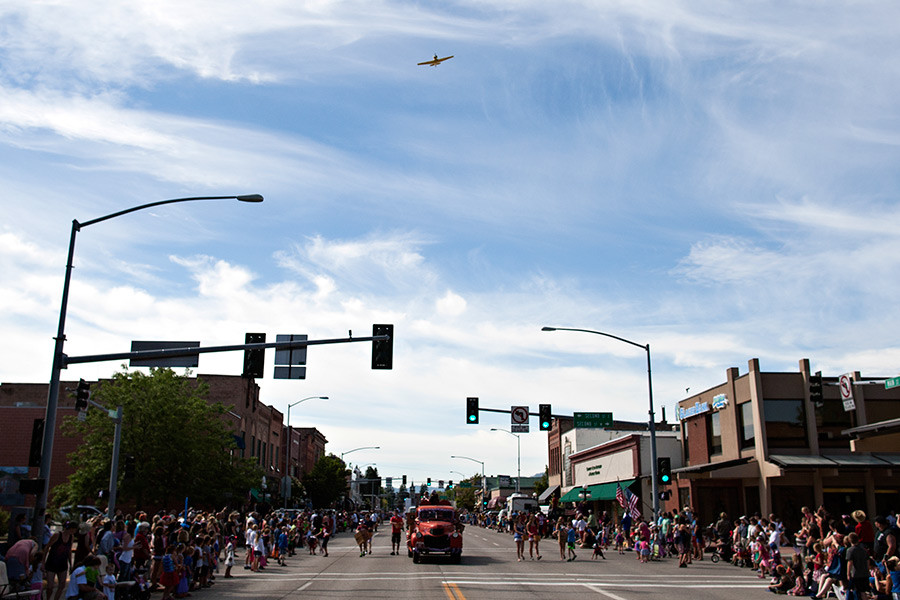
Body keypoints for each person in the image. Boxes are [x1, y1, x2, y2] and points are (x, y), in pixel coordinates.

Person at [845, 532, 869, 600]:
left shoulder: (850, 550)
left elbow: (850, 562)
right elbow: (867, 561)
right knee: (863, 591)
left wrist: (848, 574)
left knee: (856, 591)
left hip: (855, 574)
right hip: (864, 573)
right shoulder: (863, 550)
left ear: (849, 541)